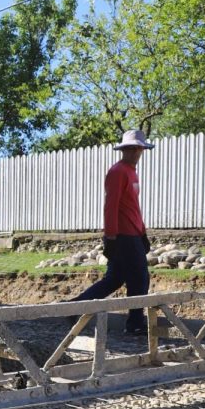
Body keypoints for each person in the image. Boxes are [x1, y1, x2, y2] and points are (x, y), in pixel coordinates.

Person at [70, 129, 154, 335]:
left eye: (137, 148)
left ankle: (75, 307)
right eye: (130, 148)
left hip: (133, 233)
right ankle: (135, 323)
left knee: (115, 278)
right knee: (140, 277)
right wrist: (111, 237)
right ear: (123, 150)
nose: (134, 152)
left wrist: (142, 233)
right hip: (123, 235)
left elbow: (133, 205)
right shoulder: (117, 171)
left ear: (142, 150)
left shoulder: (131, 172)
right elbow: (111, 206)